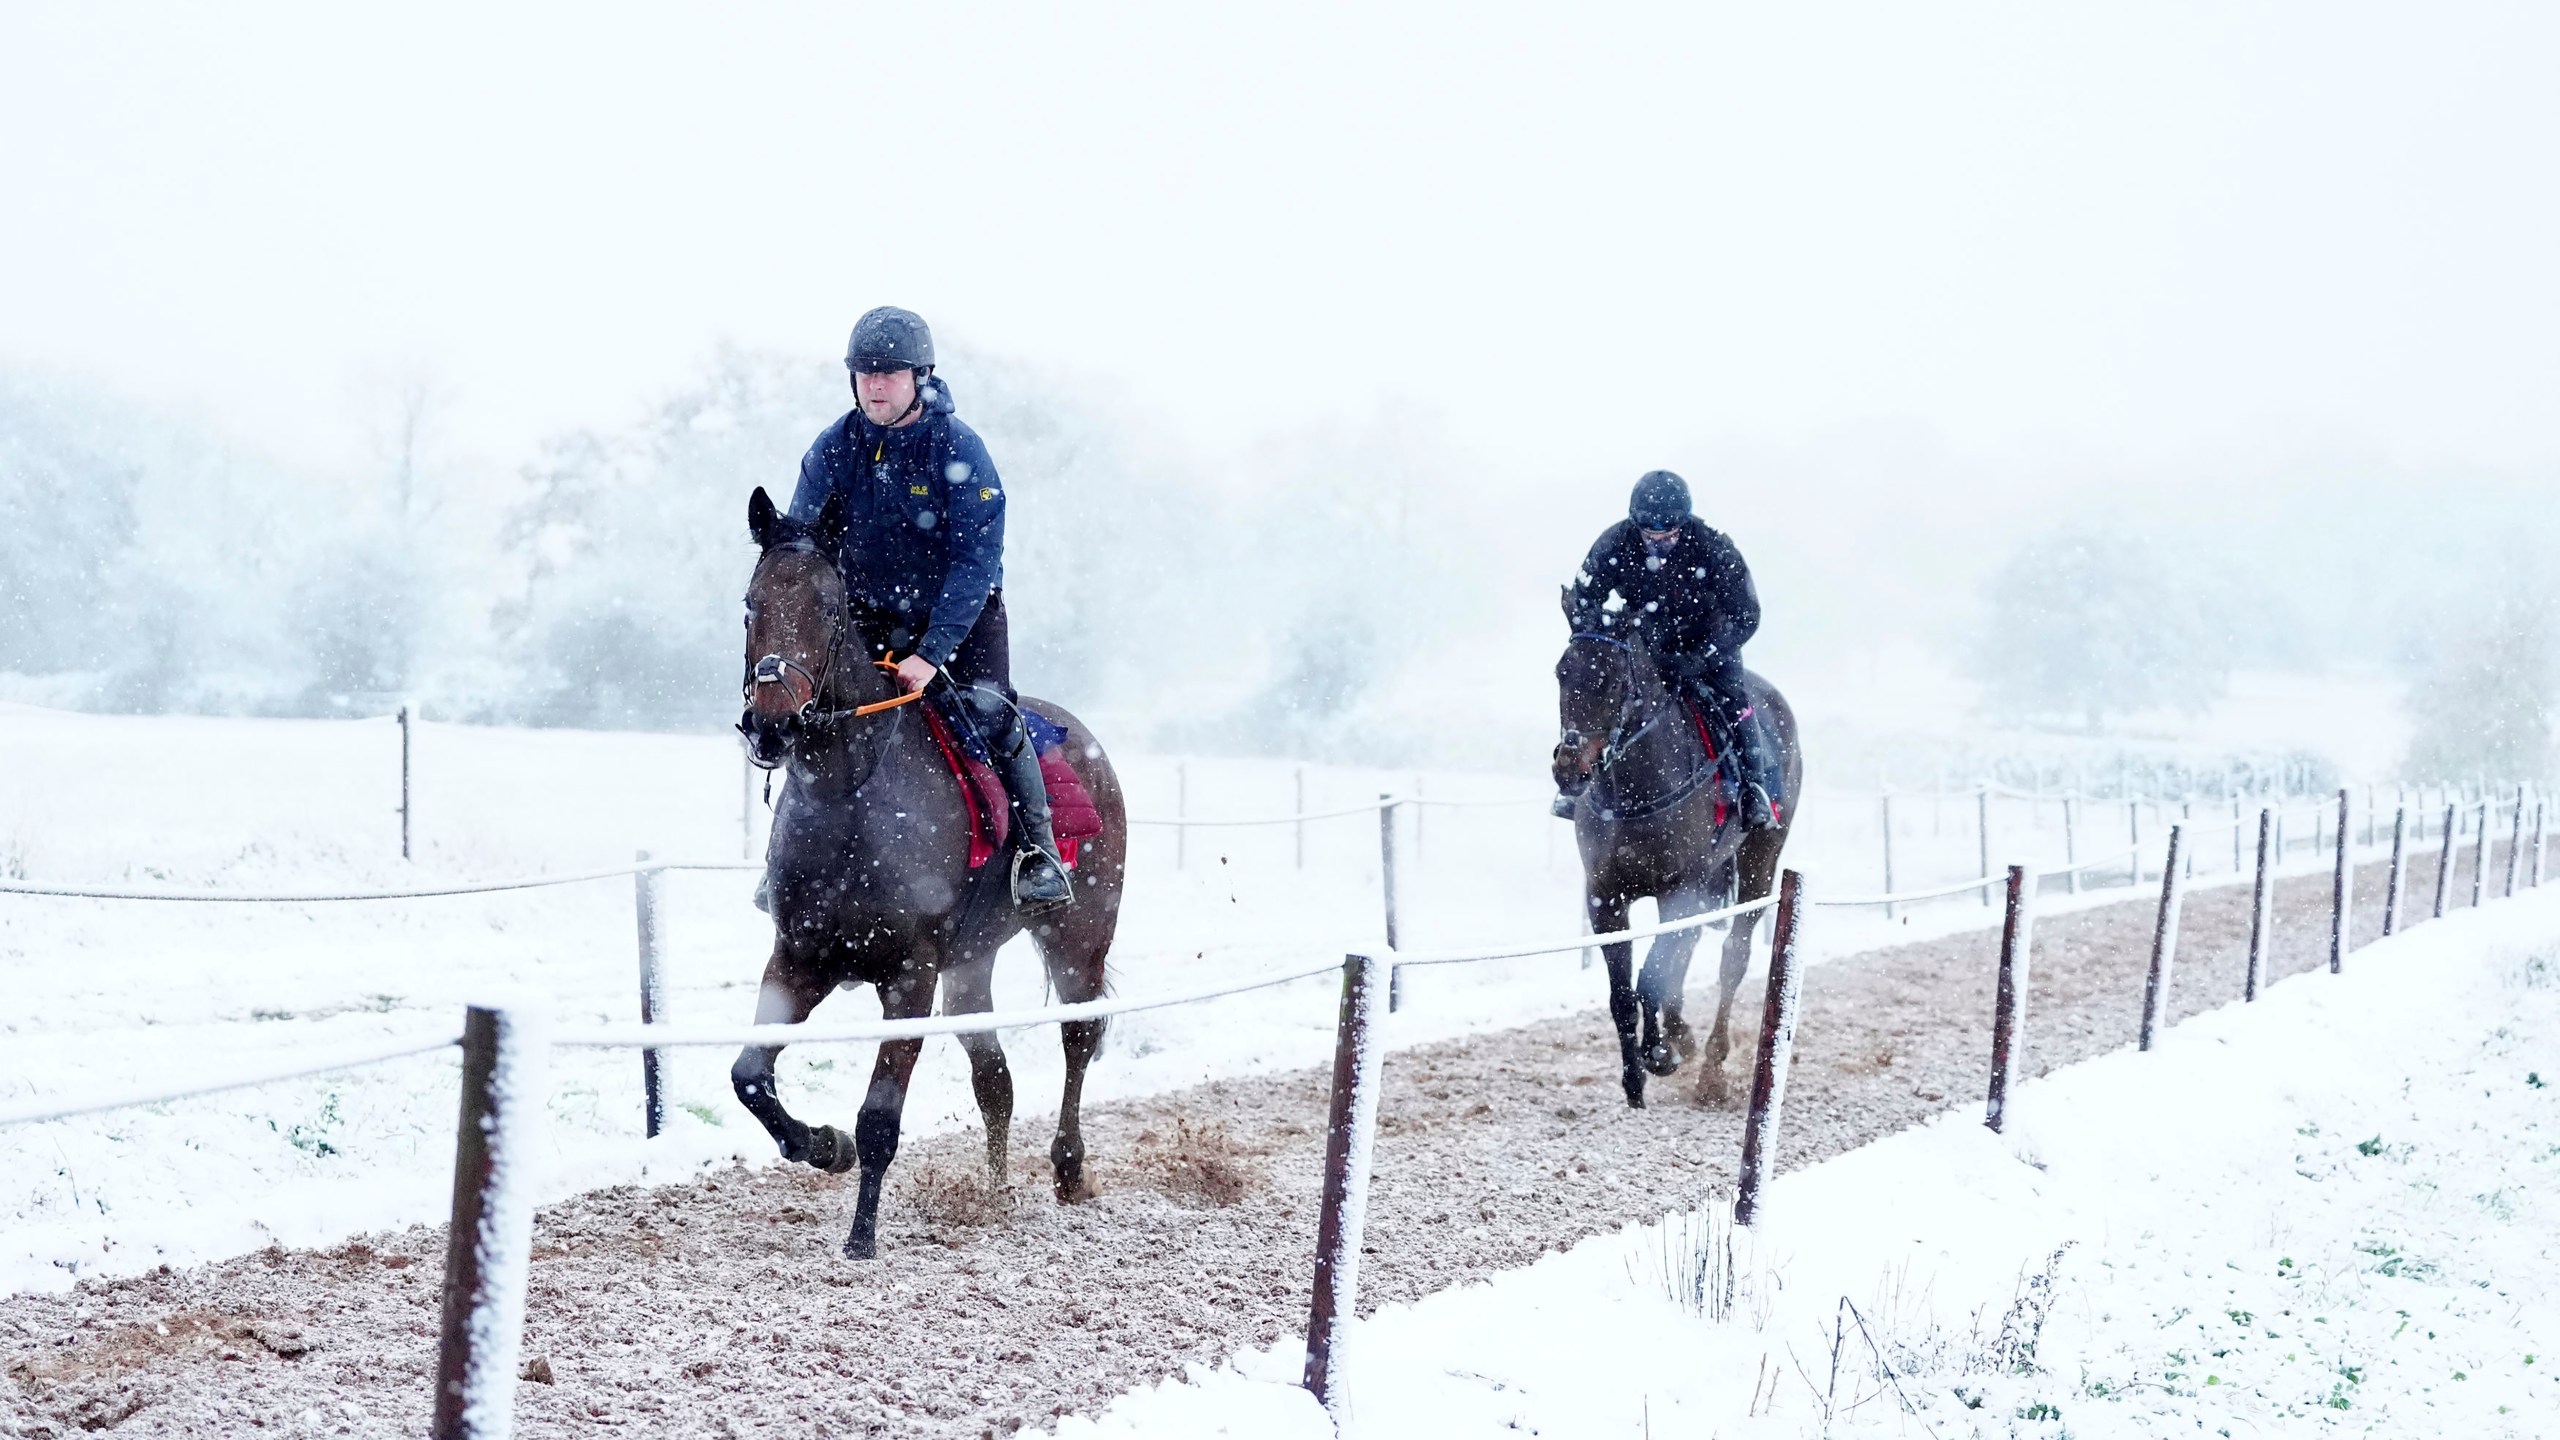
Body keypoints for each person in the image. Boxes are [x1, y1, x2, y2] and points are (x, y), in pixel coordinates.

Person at [787, 306, 1074, 912]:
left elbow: (976, 563)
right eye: (865, 373)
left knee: (989, 713)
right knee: (816, 717)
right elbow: (805, 550)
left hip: (959, 619)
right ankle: (784, 864)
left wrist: (930, 653)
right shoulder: (833, 449)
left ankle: (1036, 853)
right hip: (863, 620)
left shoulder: (960, 448)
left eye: (890, 373)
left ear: (920, 376)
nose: (876, 385)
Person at [1561, 469, 1781, 827]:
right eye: (1650, 537)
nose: (1657, 545)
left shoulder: (1713, 546)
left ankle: (1753, 788)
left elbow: (1746, 614)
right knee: (1596, 691)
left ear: (1683, 525)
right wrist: (1605, 635)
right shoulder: (1614, 543)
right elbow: (1584, 600)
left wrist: (1702, 656)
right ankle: (1577, 782)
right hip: (1644, 647)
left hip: (1707, 648)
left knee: (1734, 701)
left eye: (1667, 538)